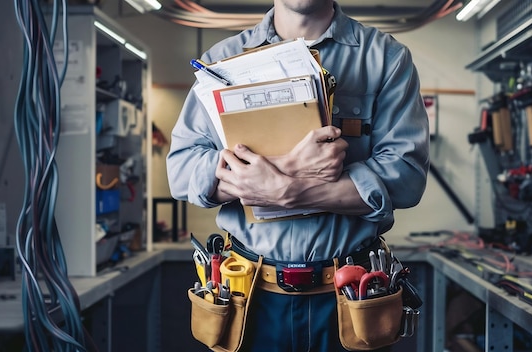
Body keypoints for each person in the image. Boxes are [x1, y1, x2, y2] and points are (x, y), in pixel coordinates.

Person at [166, 0, 429, 351]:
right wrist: (289, 168)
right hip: (249, 298)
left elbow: (407, 178)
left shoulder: (386, 58)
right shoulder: (222, 62)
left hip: (350, 298)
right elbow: (181, 169)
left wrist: (292, 191)